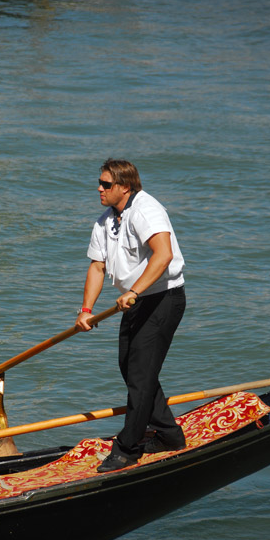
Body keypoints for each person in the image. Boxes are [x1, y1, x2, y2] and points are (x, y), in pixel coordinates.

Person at [75, 159, 186, 473]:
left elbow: (163, 255)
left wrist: (134, 290)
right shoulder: (105, 221)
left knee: (140, 376)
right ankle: (169, 435)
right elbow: (97, 266)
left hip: (163, 299)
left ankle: (126, 448)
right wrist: (86, 311)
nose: (99, 188)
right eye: (99, 183)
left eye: (106, 184)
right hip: (135, 301)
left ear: (125, 187)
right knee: (131, 368)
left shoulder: (146, 210)